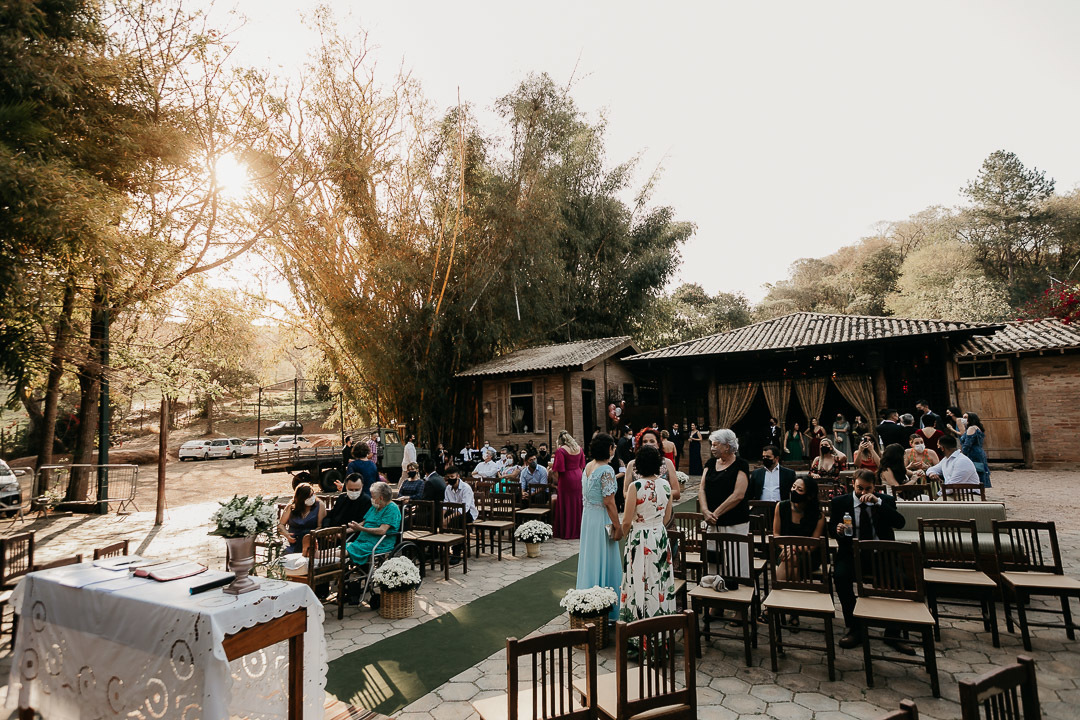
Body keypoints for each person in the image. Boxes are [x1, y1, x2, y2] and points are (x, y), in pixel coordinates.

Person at [829, 470, 910, 653]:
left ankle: (893, 632)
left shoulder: (884, 501)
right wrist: (838, 529)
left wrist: (878, 502)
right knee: (840, 577)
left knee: (901, 581)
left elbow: (900, 523)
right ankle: (855, 627)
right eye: (859, 488)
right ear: (853, 484)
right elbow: (831, 529)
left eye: (868, 489)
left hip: (880, 554)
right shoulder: (840, 502)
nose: (863, 492)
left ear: (874, 487)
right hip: (851, 554)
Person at [618, 444, 675, 622]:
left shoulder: (636, 486)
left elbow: (627, 520)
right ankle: (660, 624)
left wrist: (625, 535)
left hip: (640, 536)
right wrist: (655, 526)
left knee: (639, 579)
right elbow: (667, 516)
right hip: (659, 535)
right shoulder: (666, 485)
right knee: (658, 579)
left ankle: (638, 627)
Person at [577, 433, 623, 621]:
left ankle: (589, 601)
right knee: (605, 557)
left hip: (588, 518)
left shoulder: (588, 466)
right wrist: (618, 526)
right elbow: (609, 502)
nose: (614, 451)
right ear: (609, 448)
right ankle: (606, 608)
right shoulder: (607, 470)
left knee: (591, 558)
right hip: (602, 518)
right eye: (613, 447)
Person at [699, 429, 750, 575]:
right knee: (714, 562)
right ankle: (715, 587)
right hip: (712, 522)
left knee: (736, 563)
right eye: (711, 445)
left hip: (734, 521)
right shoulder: (710, 463)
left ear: (727, 446)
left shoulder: (741, 464)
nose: (712, 448)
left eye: (716, 445)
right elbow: (701, 489)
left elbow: (738, 495)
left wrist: (715, 514)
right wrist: (705, 511)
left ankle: (739, 592)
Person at [771, 476, 825, 585]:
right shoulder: (781, 507)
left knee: (792, 558)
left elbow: (814, 543)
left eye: (799, 490)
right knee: (791, 559)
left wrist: (795, 549)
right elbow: (776, 534)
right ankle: (796, 591)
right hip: (783, 549)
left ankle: (778, 591)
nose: (794, 491)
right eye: (793, 487)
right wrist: (787, 548)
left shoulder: (818, 515)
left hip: (808, 553)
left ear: (809, 496)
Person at [345, 481, 401, 570]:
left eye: (373, 496)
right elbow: (363, 523)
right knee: (341, 548)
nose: (371, 498)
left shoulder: (392, 509)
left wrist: (361, 529)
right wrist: (346, 531)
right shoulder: (375, 507)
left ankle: (320, 559)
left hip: (378, 543)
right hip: (363, 541)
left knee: (343, 552)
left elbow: (382, 530)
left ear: (381, 498)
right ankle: (319, 558)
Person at [625, 428, 681, 502]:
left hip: (663, 508)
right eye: (645, 441)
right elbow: (625, 492)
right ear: (641, 444)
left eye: (652, 441)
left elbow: (677, 492)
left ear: (658, 444)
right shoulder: (632, 465)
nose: (648, 444)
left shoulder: (667, 463)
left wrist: (655, 495)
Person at [551, 430, 587, 540]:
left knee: (566, 503)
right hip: (578, 476)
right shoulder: (579, 449)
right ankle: (579, 530)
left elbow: (558, 469)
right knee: (577, 502)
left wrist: (558, 481)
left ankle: (567, 531)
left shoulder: (561, 451)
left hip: (566, 478)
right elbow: (582, 465)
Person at [279, 483, 327, 554]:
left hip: (309, 541)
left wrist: (310, 536)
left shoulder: (319, 505)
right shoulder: (291, 506)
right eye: (309, 496)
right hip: (292, 540)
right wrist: (287, 534)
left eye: (312, 494)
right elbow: (281, 524)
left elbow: (320, 526)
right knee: (283, 552)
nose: (312, 497)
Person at [960, 412, 991, 487]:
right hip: (979, 451)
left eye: (965, 417)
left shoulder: (971, 428)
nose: (963, 419)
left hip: (973, 453)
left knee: (976, 470)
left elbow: (967, 444)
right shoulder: (976, 428)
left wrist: (962, 454)